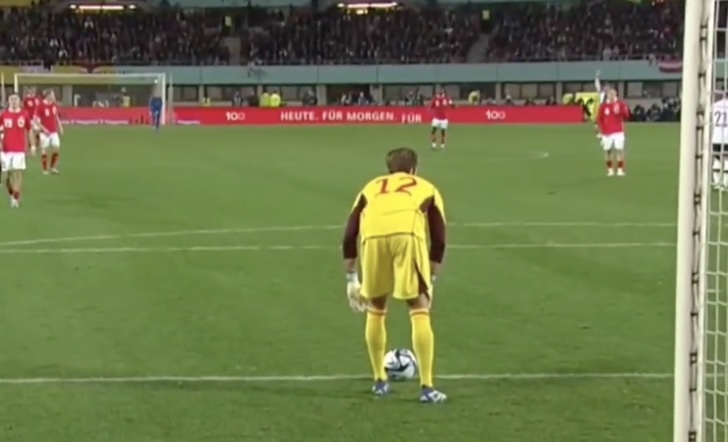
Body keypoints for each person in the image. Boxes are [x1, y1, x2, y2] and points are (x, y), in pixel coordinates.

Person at [341, 147, 447, 403]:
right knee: (418, 306)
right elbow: (439, 238)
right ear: (413, 169)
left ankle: (380, 381)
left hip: (372, 239)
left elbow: (349, 233)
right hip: (407, 237)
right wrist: (430, 281)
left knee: (376, 306)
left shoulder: (371, 187)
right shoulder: (426, 187)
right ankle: (427, 388)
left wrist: (351, 279)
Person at [0, 94, 31, 208]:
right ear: (8, 101)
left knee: (18, 173)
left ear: (19, 101)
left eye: (16, 99)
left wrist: (32, 145)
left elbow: (29, 129)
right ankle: (12, 194)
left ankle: (15, 198)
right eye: (11, 99)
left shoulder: (24, 114)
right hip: (5, 150)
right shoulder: (4, 115)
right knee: (6, 175)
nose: (13, 101)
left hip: (19, 149)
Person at [597, 88, 630, 176]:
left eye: (613, 94)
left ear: (615, 95)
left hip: (618, 131)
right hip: (606, 133)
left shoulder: (620, 104)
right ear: (607, 96)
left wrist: (623, 111)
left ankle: (620, 170)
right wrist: (602, 130)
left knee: (619, 150)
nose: (611, 96)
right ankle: (610, 169)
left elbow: (626, 117)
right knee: (608, 151)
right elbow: (599, 119)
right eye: (609, 95)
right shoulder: (603, 106)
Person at [36, 90, 63, 175]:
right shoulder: (41, 105)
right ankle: (45, 169)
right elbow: (36, 121)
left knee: (56, 147)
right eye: (52, 95)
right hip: (44, 132)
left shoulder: (54, 105)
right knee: (44, 149)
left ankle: (53, 167)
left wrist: (60, 126)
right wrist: (44, 129)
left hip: (53, 131)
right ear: (48, 96)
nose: (54, 96)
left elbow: (56, 117)